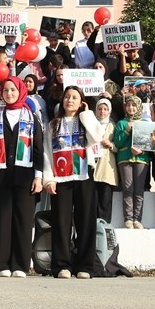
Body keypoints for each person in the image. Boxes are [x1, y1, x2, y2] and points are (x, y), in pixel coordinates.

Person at [0, 76, 44, 277]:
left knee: (23, 222)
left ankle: (20, 265)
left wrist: (38, 177)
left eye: (13, 90)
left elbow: (39, 150)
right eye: (6, 90)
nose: (9, 93)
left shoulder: (32, 118)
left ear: (21, 92)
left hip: (25, 178)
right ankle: (3, 264)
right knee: (2, 221)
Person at [43, 86, 105, 278]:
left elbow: (97, 137)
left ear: (81, 102)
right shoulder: (53, 125)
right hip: (60, 178)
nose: (70, 100)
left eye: (75, 98)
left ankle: (85, 266)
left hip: (83, 176)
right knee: (61, 222)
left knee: (85, 221)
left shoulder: (85, 121)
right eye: (67, 97)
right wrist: (48, 179)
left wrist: (86, 115)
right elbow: (47, 153)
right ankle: (62, 265)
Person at [113, 95, 151, 229]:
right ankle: (128, 219)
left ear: (139, 107)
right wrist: (127, 129)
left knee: (139, 189)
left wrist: (141, 151)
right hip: (124, 158)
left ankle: (137, 219)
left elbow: (150, 143)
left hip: (141, 159)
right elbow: (117, 142)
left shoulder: (145, 123)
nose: (131, 108)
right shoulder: (121, 123)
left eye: (134, 105)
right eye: (128, 105)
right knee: (128, 188)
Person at [89, 96, 117, 223]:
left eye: (105, 109)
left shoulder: (114, 126)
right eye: (100, 108)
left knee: (105, 199)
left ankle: (104, 227)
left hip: (107, 167)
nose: (102, 111)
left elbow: (120, 146)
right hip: (92, 165)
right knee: (92, 199)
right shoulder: (90, 126)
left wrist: (111, 145)